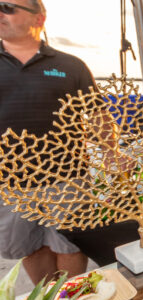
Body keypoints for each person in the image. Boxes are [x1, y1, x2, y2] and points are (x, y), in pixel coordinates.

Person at [0, 0, 95, 283]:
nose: (0, 13)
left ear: (38, 19)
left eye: (8, 7)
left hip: (68, 177)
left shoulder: (71, 65)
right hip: (11, 182)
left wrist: (112, 152)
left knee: (72, 243)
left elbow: (98, 113)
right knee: (29, 246)